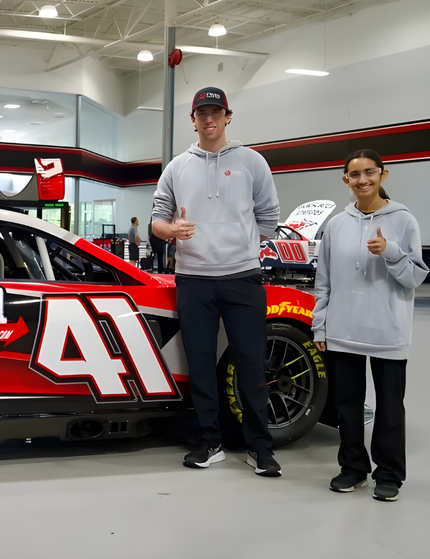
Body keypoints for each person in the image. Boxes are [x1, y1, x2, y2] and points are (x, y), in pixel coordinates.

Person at [151, 86, 282, 476]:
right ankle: (209, 442)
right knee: (202, 365)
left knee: (251, 365)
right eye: (202, 113)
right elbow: (157, 220)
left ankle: (261, 447)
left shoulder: (252, 162)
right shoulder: (177, 167)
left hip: (243, 278)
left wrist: (240, 245)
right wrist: (171, 229)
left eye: (216, 112)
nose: (209, 119)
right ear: (193, 119)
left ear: (228, 116)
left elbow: (269, 217)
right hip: (194, 280)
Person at [312, 149, 427, 502]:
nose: (363, 180)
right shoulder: (335, 224)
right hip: (343, 330)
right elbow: (324, 280)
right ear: (345, 179)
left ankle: (389, 474)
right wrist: (320, 326)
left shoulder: (403, 220)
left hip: (387, 331)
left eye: (370, 173)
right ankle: (353, 468)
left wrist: (391, 251)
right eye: (355, 174)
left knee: (391, 406)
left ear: (383, 175)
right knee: (347, 404)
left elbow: (414, 278)